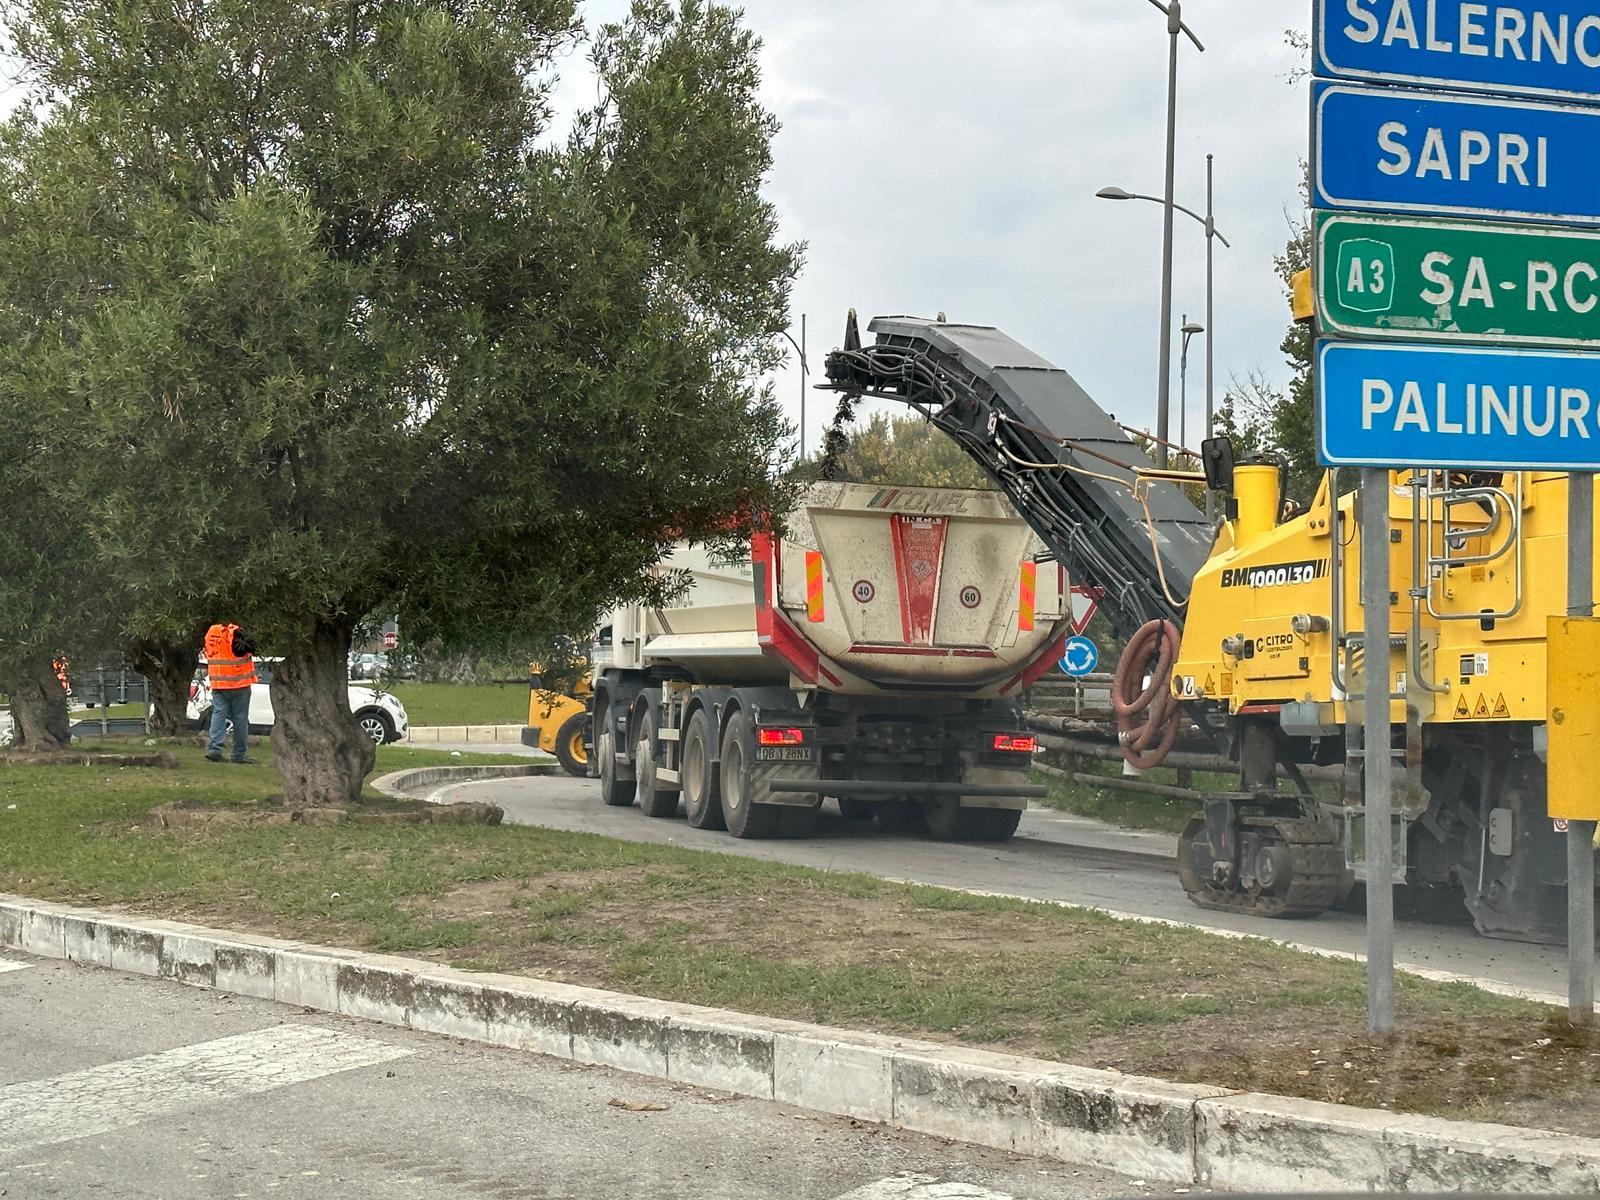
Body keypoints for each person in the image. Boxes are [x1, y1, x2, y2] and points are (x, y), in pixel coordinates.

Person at [203, 622, 257, 763]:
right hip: (239, 682)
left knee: (218, 714)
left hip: (218, 683)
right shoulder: (237, 632)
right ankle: (238, 754)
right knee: (240, 718)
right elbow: (251, 648)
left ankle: (214, 749)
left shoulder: (212, 632)